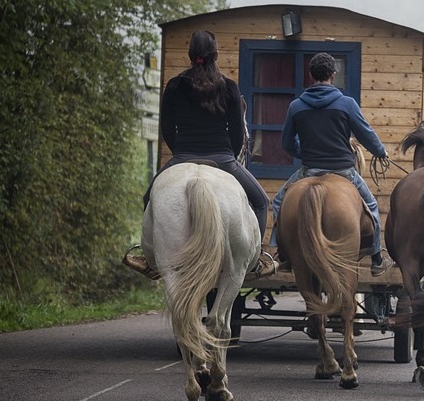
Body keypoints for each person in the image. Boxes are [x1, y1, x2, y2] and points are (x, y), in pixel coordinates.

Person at [124, 30, 277, 278]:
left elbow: (167, 129)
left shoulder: (174, 86)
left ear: (190, 54)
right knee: (261, 201)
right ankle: (255, 258)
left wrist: (181, 155)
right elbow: (238, 133)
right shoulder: (228, 87)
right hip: (224, 159)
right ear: (215, 54)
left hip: (183, 156)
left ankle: (150, 259)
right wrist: (228, 153)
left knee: (149, 197)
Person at [273, 52, 392, 276]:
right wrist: (380, 151)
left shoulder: (296, 106)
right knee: (372, 206)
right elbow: (365, 134)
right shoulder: (347, 104)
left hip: (308, 170)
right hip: (344, 172)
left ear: (311, 75)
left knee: (279, 201)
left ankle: (283, 255)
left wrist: (303, 151)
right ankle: (376, 258)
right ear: (333, 75)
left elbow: (287, 143)